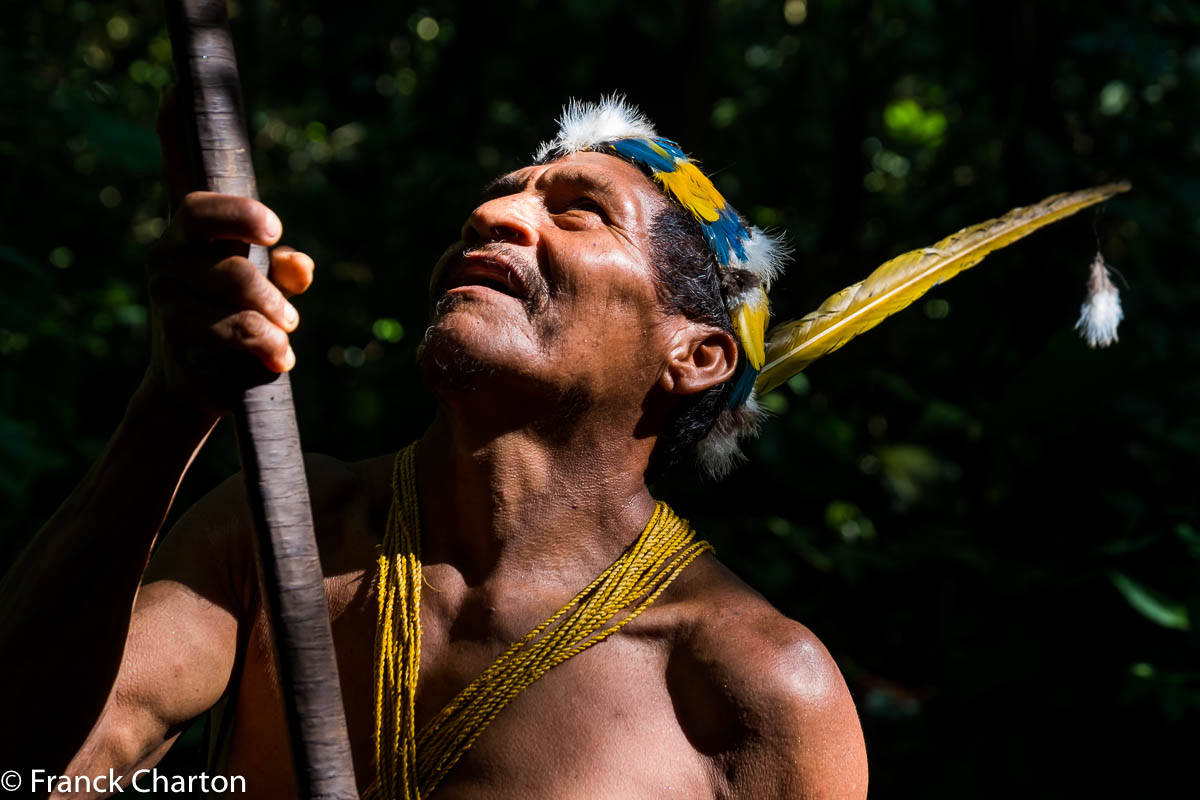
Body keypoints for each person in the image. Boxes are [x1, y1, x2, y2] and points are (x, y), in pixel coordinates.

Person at [0, 97, 868, 799]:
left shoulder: (759, 686)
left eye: (580, 213)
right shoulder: (285, 534)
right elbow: (32, 769)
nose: (493, 213)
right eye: (499, 196)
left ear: (695, 355)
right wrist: (170, 406)